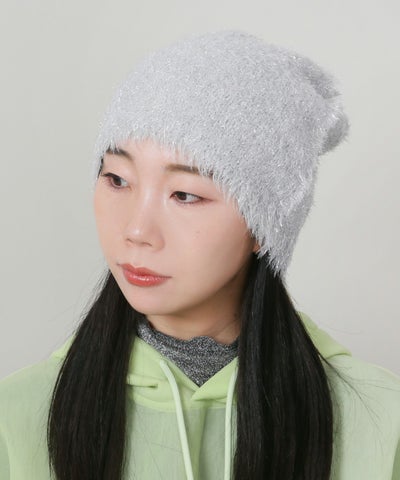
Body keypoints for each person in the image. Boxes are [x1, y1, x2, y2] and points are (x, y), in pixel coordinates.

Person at [0, 29, 399, 480]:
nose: (136, 231)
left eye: (185, 194)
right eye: (117, 179)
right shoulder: (16, 416)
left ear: (266, 225)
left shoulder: (382, 421)